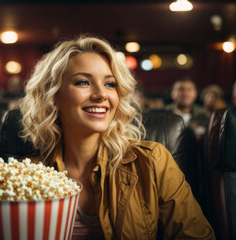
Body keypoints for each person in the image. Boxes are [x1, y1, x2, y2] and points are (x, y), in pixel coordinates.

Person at [19, 36, 215, 239]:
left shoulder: (153, 162)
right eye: (83, 82)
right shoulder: (26, 177)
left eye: (110, 84)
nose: (101, 94)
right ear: (53, 98)